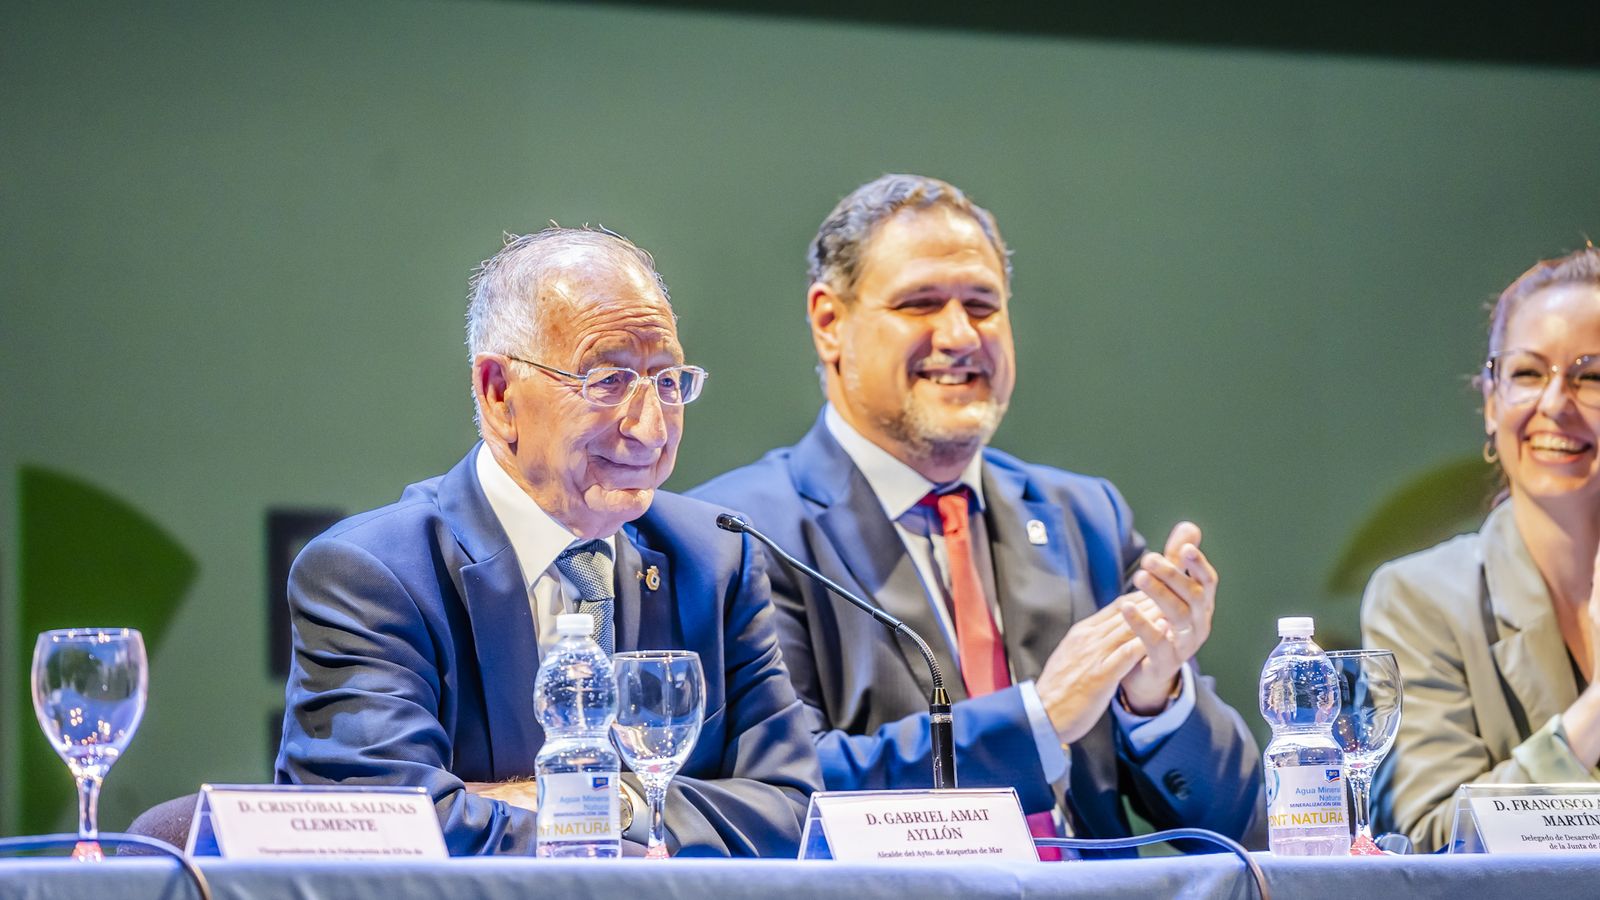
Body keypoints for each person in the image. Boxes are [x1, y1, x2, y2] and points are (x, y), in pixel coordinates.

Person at [690, 174, 1262, 849]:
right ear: (829, 323)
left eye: (983, 305)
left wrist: (1157, 699)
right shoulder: (739, 532)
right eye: (921, 303)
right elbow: (780, 793)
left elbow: (1240, 827)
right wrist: (1036, 721)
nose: (960, 335)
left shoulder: (1086, 518)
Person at [275, 227, 822, 856]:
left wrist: (595, 802)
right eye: (608, 381)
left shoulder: (716, 557)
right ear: (499, 393)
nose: (649, 429)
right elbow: (387, 825)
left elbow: (792, 810)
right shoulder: (371, 574)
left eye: (667, 381)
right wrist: (654, 815)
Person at [1365, 245, 1600, 852]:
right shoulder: (1419, 599)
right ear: (1492, 405)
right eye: (1527, 374)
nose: (1555, 403)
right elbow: (1435, 838)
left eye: (1591, 375)